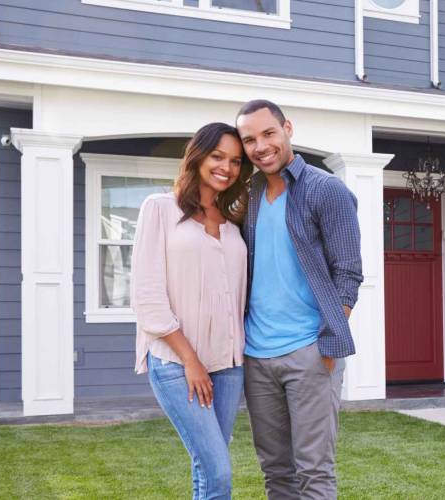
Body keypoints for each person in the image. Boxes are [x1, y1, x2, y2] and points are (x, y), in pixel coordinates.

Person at [236, 99, 363, 500]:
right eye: (249, 140)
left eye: (268, 133)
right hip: (257, 355)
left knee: (314, 472)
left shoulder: (326, 190)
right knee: (276, 472)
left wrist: (328, 340)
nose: (261, 147)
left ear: (287, 128)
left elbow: (348, 274)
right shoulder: (249, 196)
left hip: (309, 351)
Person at [130, 122, 252, 500]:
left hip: (229, 364)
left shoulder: (234, 223)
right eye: (217, 156)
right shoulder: (159, 209)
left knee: (207, 465)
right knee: (218, 471)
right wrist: (190, 360)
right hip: (177, 363)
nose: (226, 167)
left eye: (235, 161)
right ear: (198, 156)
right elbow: (147, 296)